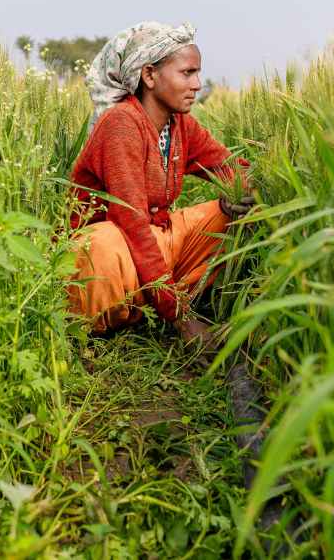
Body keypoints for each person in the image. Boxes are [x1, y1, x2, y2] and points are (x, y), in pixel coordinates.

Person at [66, 21, 254, 348]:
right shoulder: (121, 124)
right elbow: (132, 224)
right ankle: (145, 306)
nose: (197, 84)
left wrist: (240, 191)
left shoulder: (179, 124)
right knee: (103, 244)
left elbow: (230, 168)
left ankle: (150, 301)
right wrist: (181, 318)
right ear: (150, 76)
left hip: (151, 239)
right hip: (116, 252)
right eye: (187, 73)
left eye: (198, 73)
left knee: (226, 217)